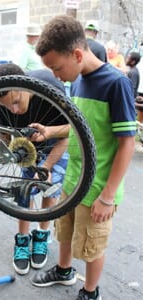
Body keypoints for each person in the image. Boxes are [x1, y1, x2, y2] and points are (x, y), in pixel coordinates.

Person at [30, 15, 136, 300]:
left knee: (92, 245)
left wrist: (108, 195)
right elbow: (81, 126)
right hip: (73, 179)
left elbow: (127, 143)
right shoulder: (76, 79)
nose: (55, 75)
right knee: (64, 230)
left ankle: (91, 291)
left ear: (77, 54)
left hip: (98, 187)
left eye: (56, 68)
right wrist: (50, 131)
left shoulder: (116, 83)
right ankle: (64, 270)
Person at [0, 63, 69, 275]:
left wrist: (46, 167)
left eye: (16, 102)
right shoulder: (1, 94)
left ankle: (42, 236)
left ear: (26, 87)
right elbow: (4, 136)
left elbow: (70, 132)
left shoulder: (51, 89)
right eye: (7, 107)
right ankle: (23, 241)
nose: (14, 110)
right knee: (24, 190)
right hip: (26, 144)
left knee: (47, 186)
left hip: (56, 140)